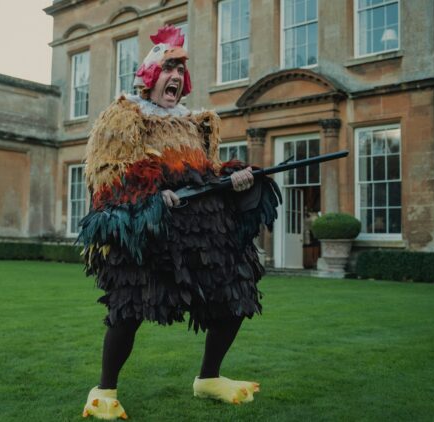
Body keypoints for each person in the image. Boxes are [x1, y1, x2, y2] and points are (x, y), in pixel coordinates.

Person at [77, 25, 280, 420]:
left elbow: (208, 173)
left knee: (235, 293)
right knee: (130, 306)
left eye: (180, 70)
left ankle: (209, 378)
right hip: (152, 231)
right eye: (168, 67)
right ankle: (103, 391)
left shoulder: (196, 123)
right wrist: (150, 192)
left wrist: (236, 179)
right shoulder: (125, 116)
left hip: (202, 231)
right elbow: (109, 174)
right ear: (151, 76)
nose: (176, 76)